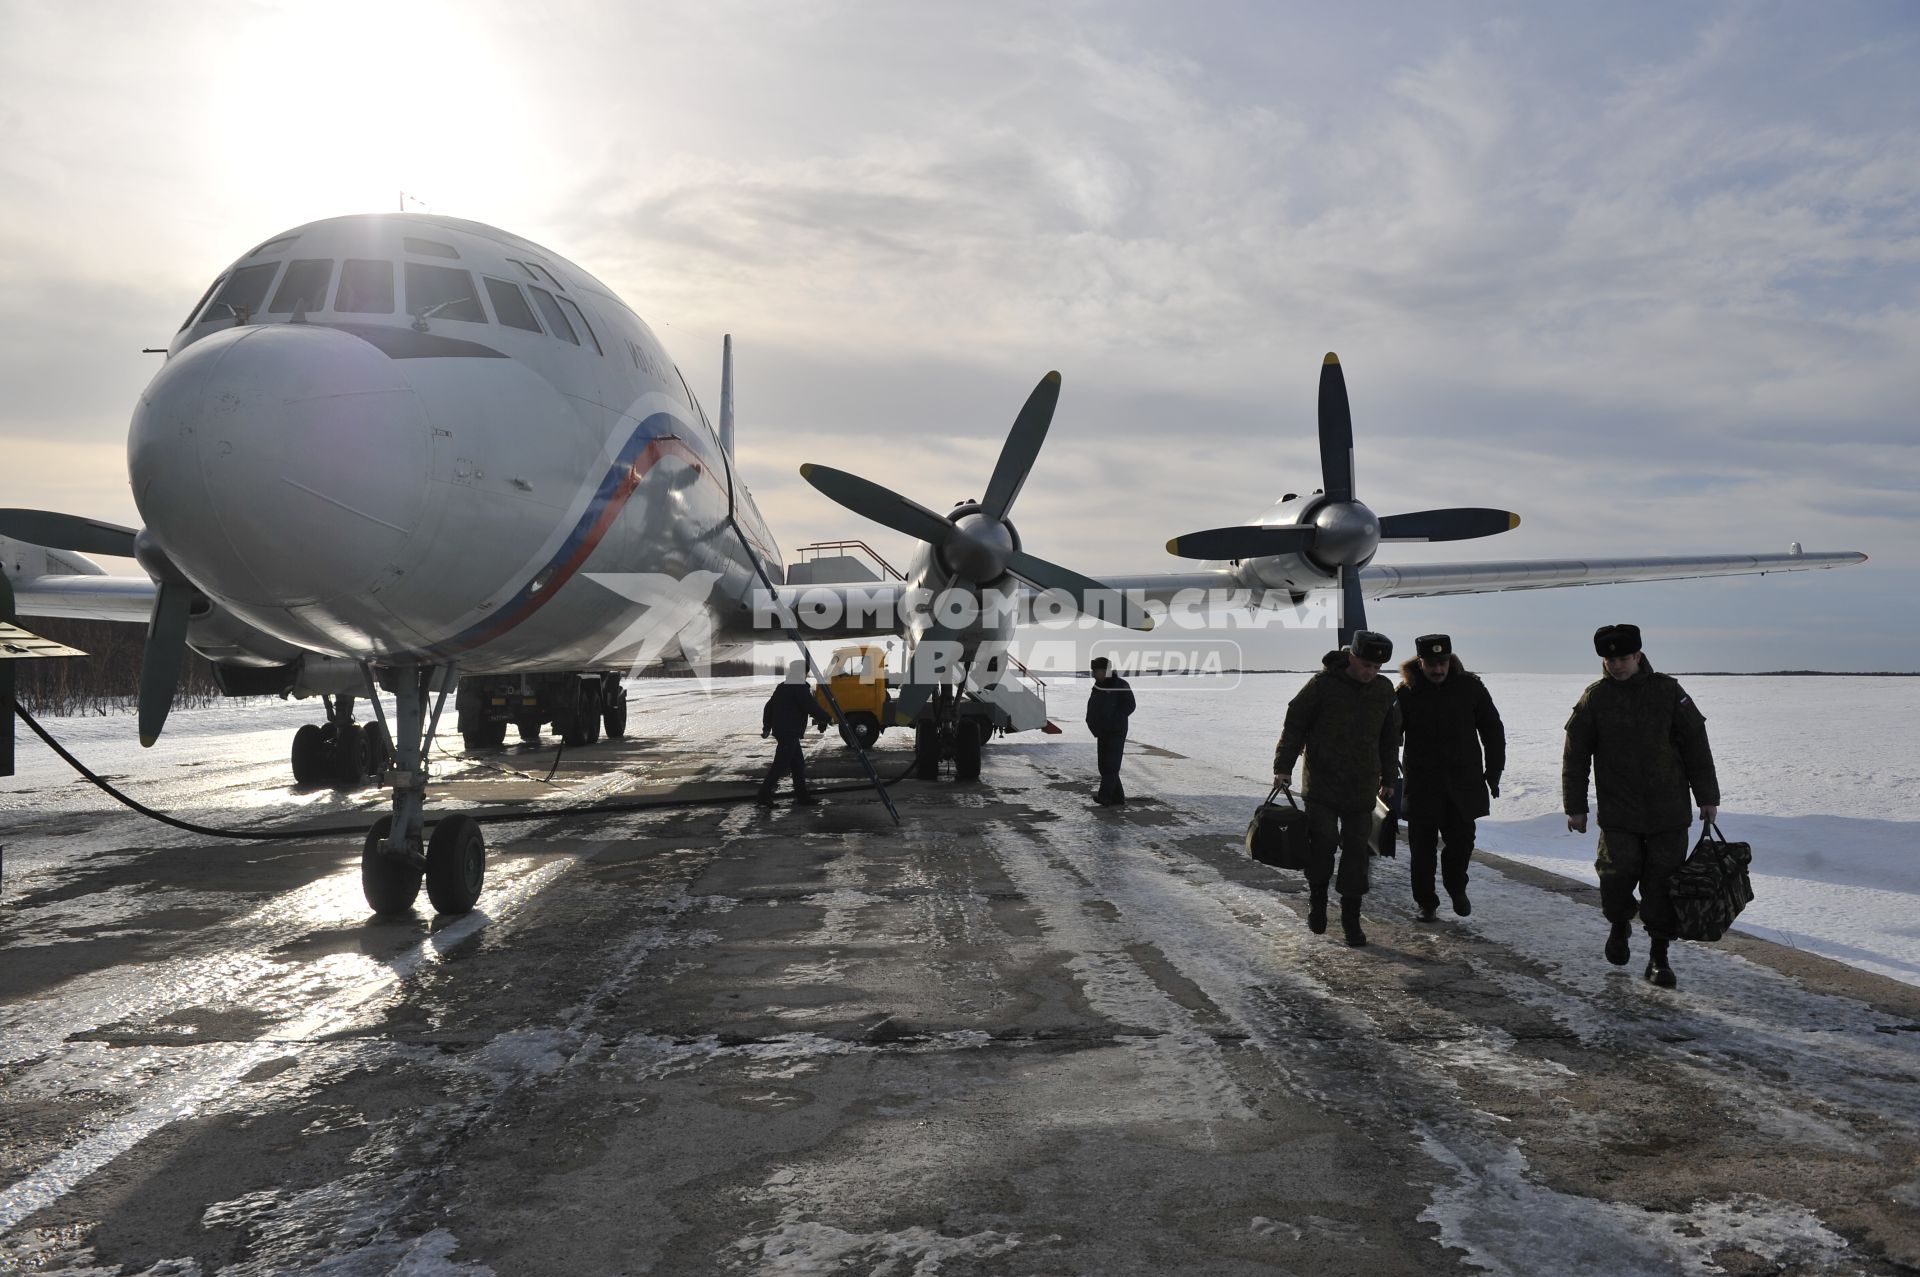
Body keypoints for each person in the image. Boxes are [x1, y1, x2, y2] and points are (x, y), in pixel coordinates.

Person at [1562, 623, 1720, 989]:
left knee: (1662, 886)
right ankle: (1619, 924)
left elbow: (1697, 744)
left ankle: (1658, 958)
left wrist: (1708, 797)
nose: (1616, 665)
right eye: (1609, 658)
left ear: (1637, 656)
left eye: (1622, 658)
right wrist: (1575, 805)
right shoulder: (1595, 698)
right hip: (1619, 813)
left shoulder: (1668, 691)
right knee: (1616, 877)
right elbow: (1575, 756)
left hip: (1668, 810)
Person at [1274, 631, 1400, 947]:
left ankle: (1351, 921)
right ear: (1352, 658)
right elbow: (1295, 724)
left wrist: (1389, 778)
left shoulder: (1383, 690)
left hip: (1362, 786)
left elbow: (1390, 737)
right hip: (1322, 784)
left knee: (1358, 852)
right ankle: (1318, 901)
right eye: (1366, 665)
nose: (1371, 672)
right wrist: (1283, 767)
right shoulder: (1322, 685)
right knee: (1324, 842)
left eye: (1377, 667)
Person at [1396, 633, 1506, 920]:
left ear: (1450, 660)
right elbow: (1389, 737)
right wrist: (1383, 773)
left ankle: (1456, 887)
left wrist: (1493, 772)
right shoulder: (1406, 692)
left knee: (1461, 843)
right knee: (1422, 849)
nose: (1438, 669)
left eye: (1442, 662)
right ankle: (1427, 903)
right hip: (1422, 785)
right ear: (1420, 662)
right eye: (1431, 664)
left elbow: (1493, 730)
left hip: (1463, 783)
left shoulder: (1469, 687)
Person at [759, 659, 830, 806]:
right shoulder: (798, 687)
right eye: (806, 672)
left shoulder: (783, 687)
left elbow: (768, 707)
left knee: (798, 764)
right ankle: (763, 795)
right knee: (781, 764)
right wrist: (827, 717)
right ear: (802, 672)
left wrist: (767, 727)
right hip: (788, 731)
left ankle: (802, 797)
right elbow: (811, 706)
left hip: (784, 731)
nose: (807, 674)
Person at [1086, 656, 1137, 805]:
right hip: (1102, 732)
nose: (1093, 674)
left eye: (1096, 671)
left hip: (1116, 732)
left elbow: (1130, 705)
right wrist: (1092, 724)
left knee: (1111, 765)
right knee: (1104, 766)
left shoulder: (1120, 685)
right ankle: (1118, 798)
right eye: (1093, 671)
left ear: (1105, 671)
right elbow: (1092, 707)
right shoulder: (1097, 687)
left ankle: (1105, 796)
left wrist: (1114, 719)